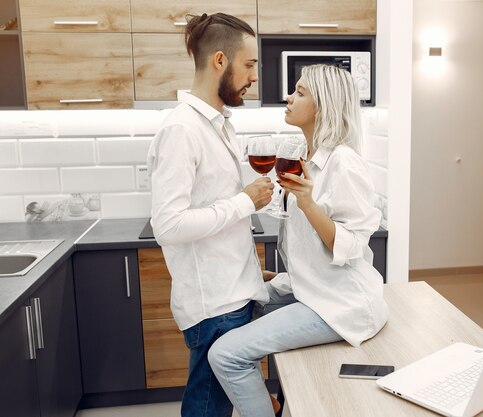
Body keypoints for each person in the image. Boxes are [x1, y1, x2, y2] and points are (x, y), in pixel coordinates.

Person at [208, 64, 389, 417]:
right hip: (317, 292)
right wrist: (279, 280)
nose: (288, 97)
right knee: (244, 305)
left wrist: (307, 203)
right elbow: (310, 255)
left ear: (323, 106)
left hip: (342, 306)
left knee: (225, 355)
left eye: (301, 93)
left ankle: (270, 408)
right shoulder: (303, 159)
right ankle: (276, 398)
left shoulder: (343, 165)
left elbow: (352, 245)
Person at [146, 12, 274, 417]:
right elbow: (168, 225)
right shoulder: (182, 130)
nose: (254, 76)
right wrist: (245, 202)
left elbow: (215, 212)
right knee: (206, 408)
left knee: (215, 404)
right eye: (249, 64)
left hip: (233, 293)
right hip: (214, 306)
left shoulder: (221, 125)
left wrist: (253, 271)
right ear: (220, 60)